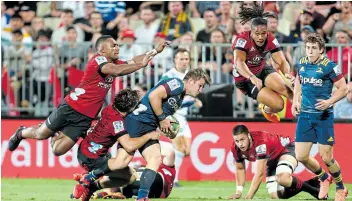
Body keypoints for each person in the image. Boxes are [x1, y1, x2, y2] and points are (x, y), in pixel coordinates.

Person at [8, 35, 169, 156]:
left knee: (57, 151)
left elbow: (134, 60)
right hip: (71, 107)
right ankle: (21, 132)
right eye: (113, 45)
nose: (117, 47)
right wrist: (141, 65)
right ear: (103, 50)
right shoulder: (97, 61)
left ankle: (57, 132)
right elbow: (116, 71)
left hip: (86, 117)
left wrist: (154, 51)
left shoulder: (116, 63)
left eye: (118, 45)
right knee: (40, 134)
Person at [74, 69, 211, 201]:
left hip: (147, 126)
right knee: (122, 162)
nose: (200, 90)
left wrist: (164, 125)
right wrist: (162, 118)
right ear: (191, 80)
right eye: (200, 85)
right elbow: (153, 96)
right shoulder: (177, 84)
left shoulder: (180, 97)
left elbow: (157, 107)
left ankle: (142, 196)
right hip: (137, 122)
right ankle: (90, 178)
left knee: (153, 159)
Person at [72, 88, 161, 201]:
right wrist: (149, 136)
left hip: (84, 149)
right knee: (124, 167)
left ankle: (90, 186)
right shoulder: (117, 122)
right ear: (130, 108)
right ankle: (88, 180)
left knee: (129, 176)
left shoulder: (110, 107)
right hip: (93, 158)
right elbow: (129, 146)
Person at [292, 33, 348, 201]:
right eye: (308, 48)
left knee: (327, 157)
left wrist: (329, 102)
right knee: (301, 156)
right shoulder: (301, 63)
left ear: (321, 50)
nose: (310, 51)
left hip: (323, 117)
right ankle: (324, 178)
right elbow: (298, 83)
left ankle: (340, 187)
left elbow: (343, 89)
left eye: (314, 48)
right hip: (305, 116)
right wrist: (295, 101)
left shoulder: (329, 66)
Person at [232, 2, 293, 123]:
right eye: (257, 34)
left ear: (267, 31)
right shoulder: (242, 40)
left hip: (262, 69)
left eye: (263, 33)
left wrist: (287, 74)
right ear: (251, 31)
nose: (260, 37)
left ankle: (306, 117)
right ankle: (265, 109)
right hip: (245, 79)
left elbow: (282, 60)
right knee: (279, 105)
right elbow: (239, 63)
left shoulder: (270, 38)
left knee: (288, 90)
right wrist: (252, 77)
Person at [229, 125, 322, 200]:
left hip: (287, 148)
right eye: (237, 141)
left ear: (248, 136)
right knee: (277, 195)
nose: (240, 144)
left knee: (283, 179)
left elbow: (259, 174)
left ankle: (315, 191)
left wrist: (248, 198)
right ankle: (312, 183)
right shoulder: (235, 148)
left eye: (242, 139)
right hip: (272, 159)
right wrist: (238, 192)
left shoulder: (261, 143)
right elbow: (240, 169)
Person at [160, 48, 202, 187]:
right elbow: (159, 94)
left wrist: (194, 100)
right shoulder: (168, 76)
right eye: (181, 59)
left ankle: (165, 171)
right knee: (177, 148)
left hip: (183, 118)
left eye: (186, 59)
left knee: (186, 151)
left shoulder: (190, 76)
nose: (184, 61)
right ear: (175, 60)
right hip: (172, 116)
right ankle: (173, 179)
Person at [88, 141, 176, 199]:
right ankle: (94, 189)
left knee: (129, 176)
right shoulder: (166, 168)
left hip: (156, 184)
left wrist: (146, 140)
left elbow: (170, 152)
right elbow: (169, 152)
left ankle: (93, 181)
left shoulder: (164, 166)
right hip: (157, 193)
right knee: (125, 183)